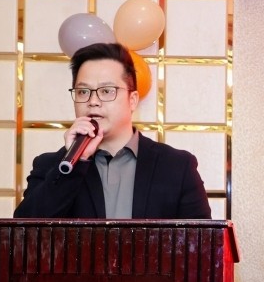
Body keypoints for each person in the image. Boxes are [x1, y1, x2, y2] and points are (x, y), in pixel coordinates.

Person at [14, 42, 211, 219]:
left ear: (132, 100)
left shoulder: (177, 167)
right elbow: (24, 234)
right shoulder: (52, 166)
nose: (93, 101)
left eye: (107, 91)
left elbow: (203, 243)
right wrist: (75, 163)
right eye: (83, 92)